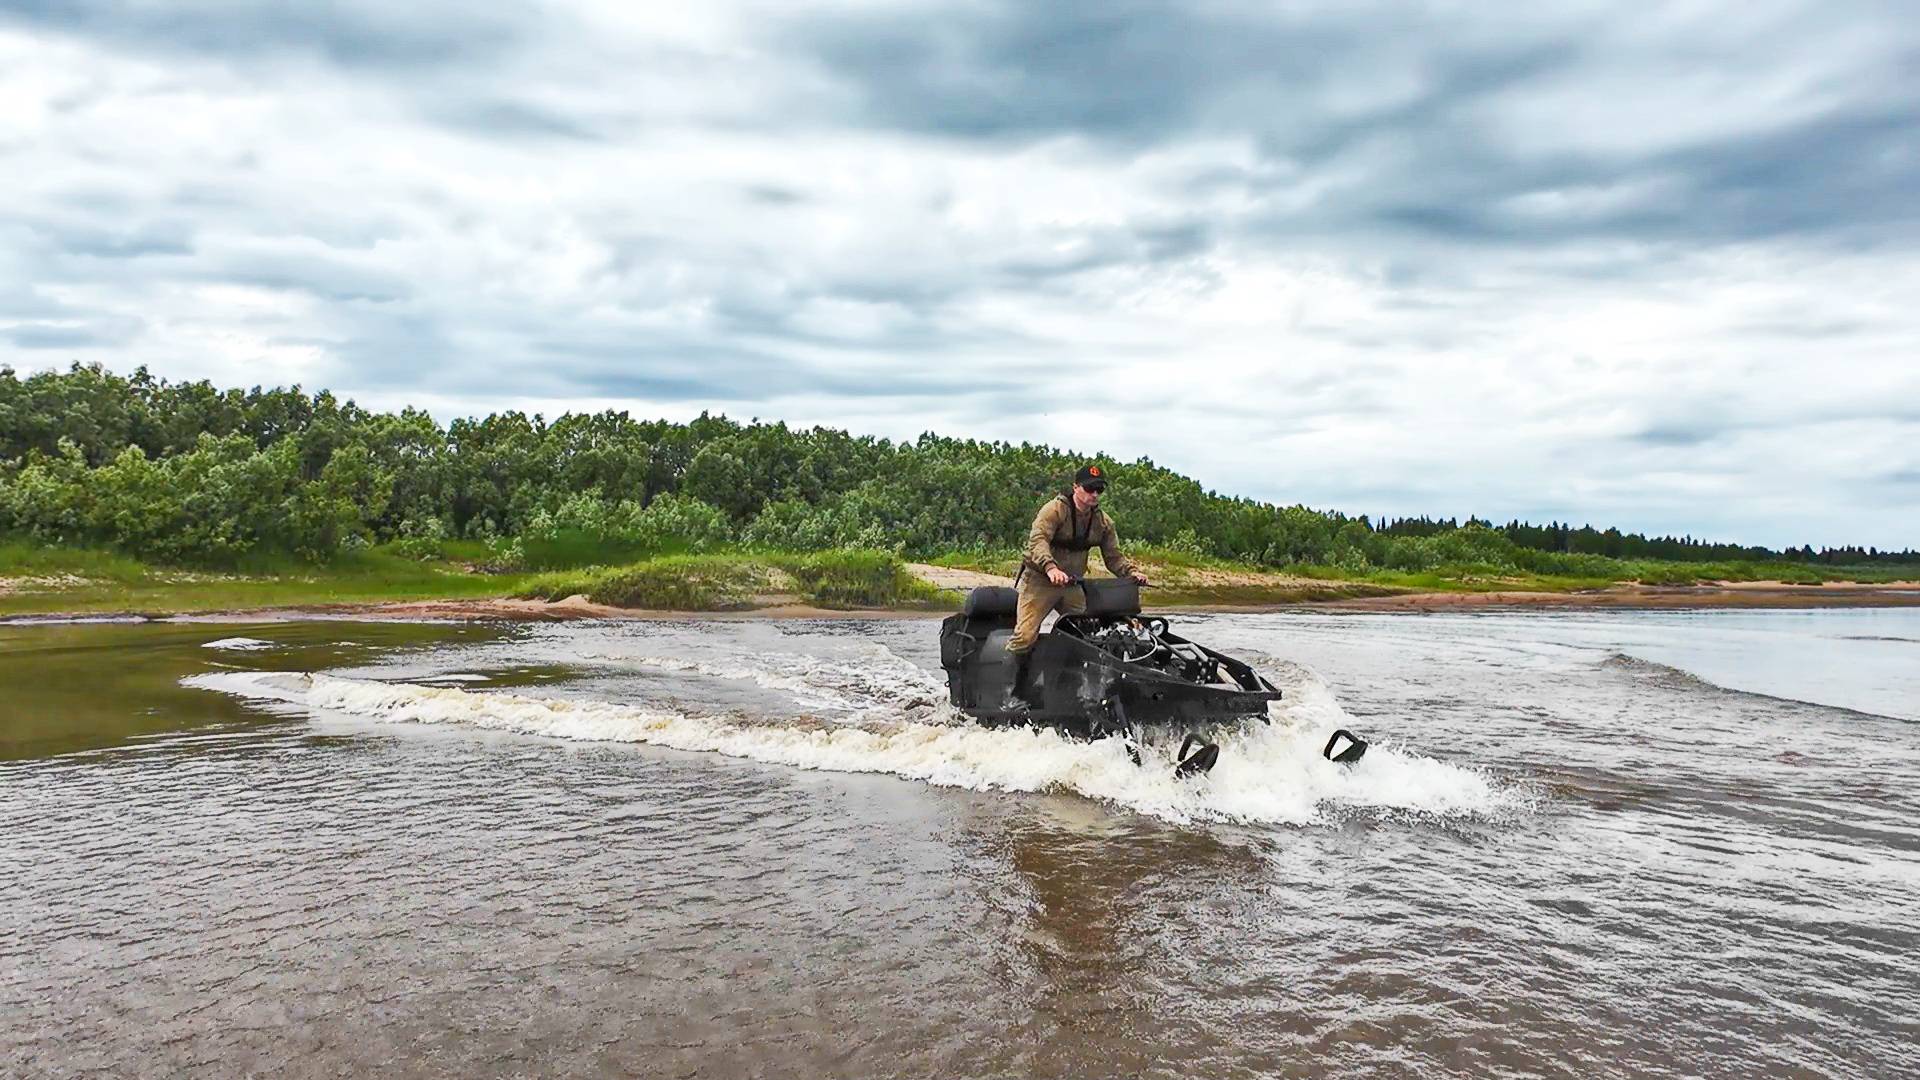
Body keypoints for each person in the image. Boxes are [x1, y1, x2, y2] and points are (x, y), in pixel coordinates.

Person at [1001, 464, 1150, 711]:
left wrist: (1133, 573)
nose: (1094, 494)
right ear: (1075, 488)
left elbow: (1114, 557)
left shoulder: (1102, 522)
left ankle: (1081, 693)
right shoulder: (1054, 511)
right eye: (1090, 489)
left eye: (1099, 490)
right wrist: (1050, 568)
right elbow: (1037, 542)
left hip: (1072, 584)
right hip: (1040, 581)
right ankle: (1009, 696)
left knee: (1087, 637)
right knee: (1025, 636)